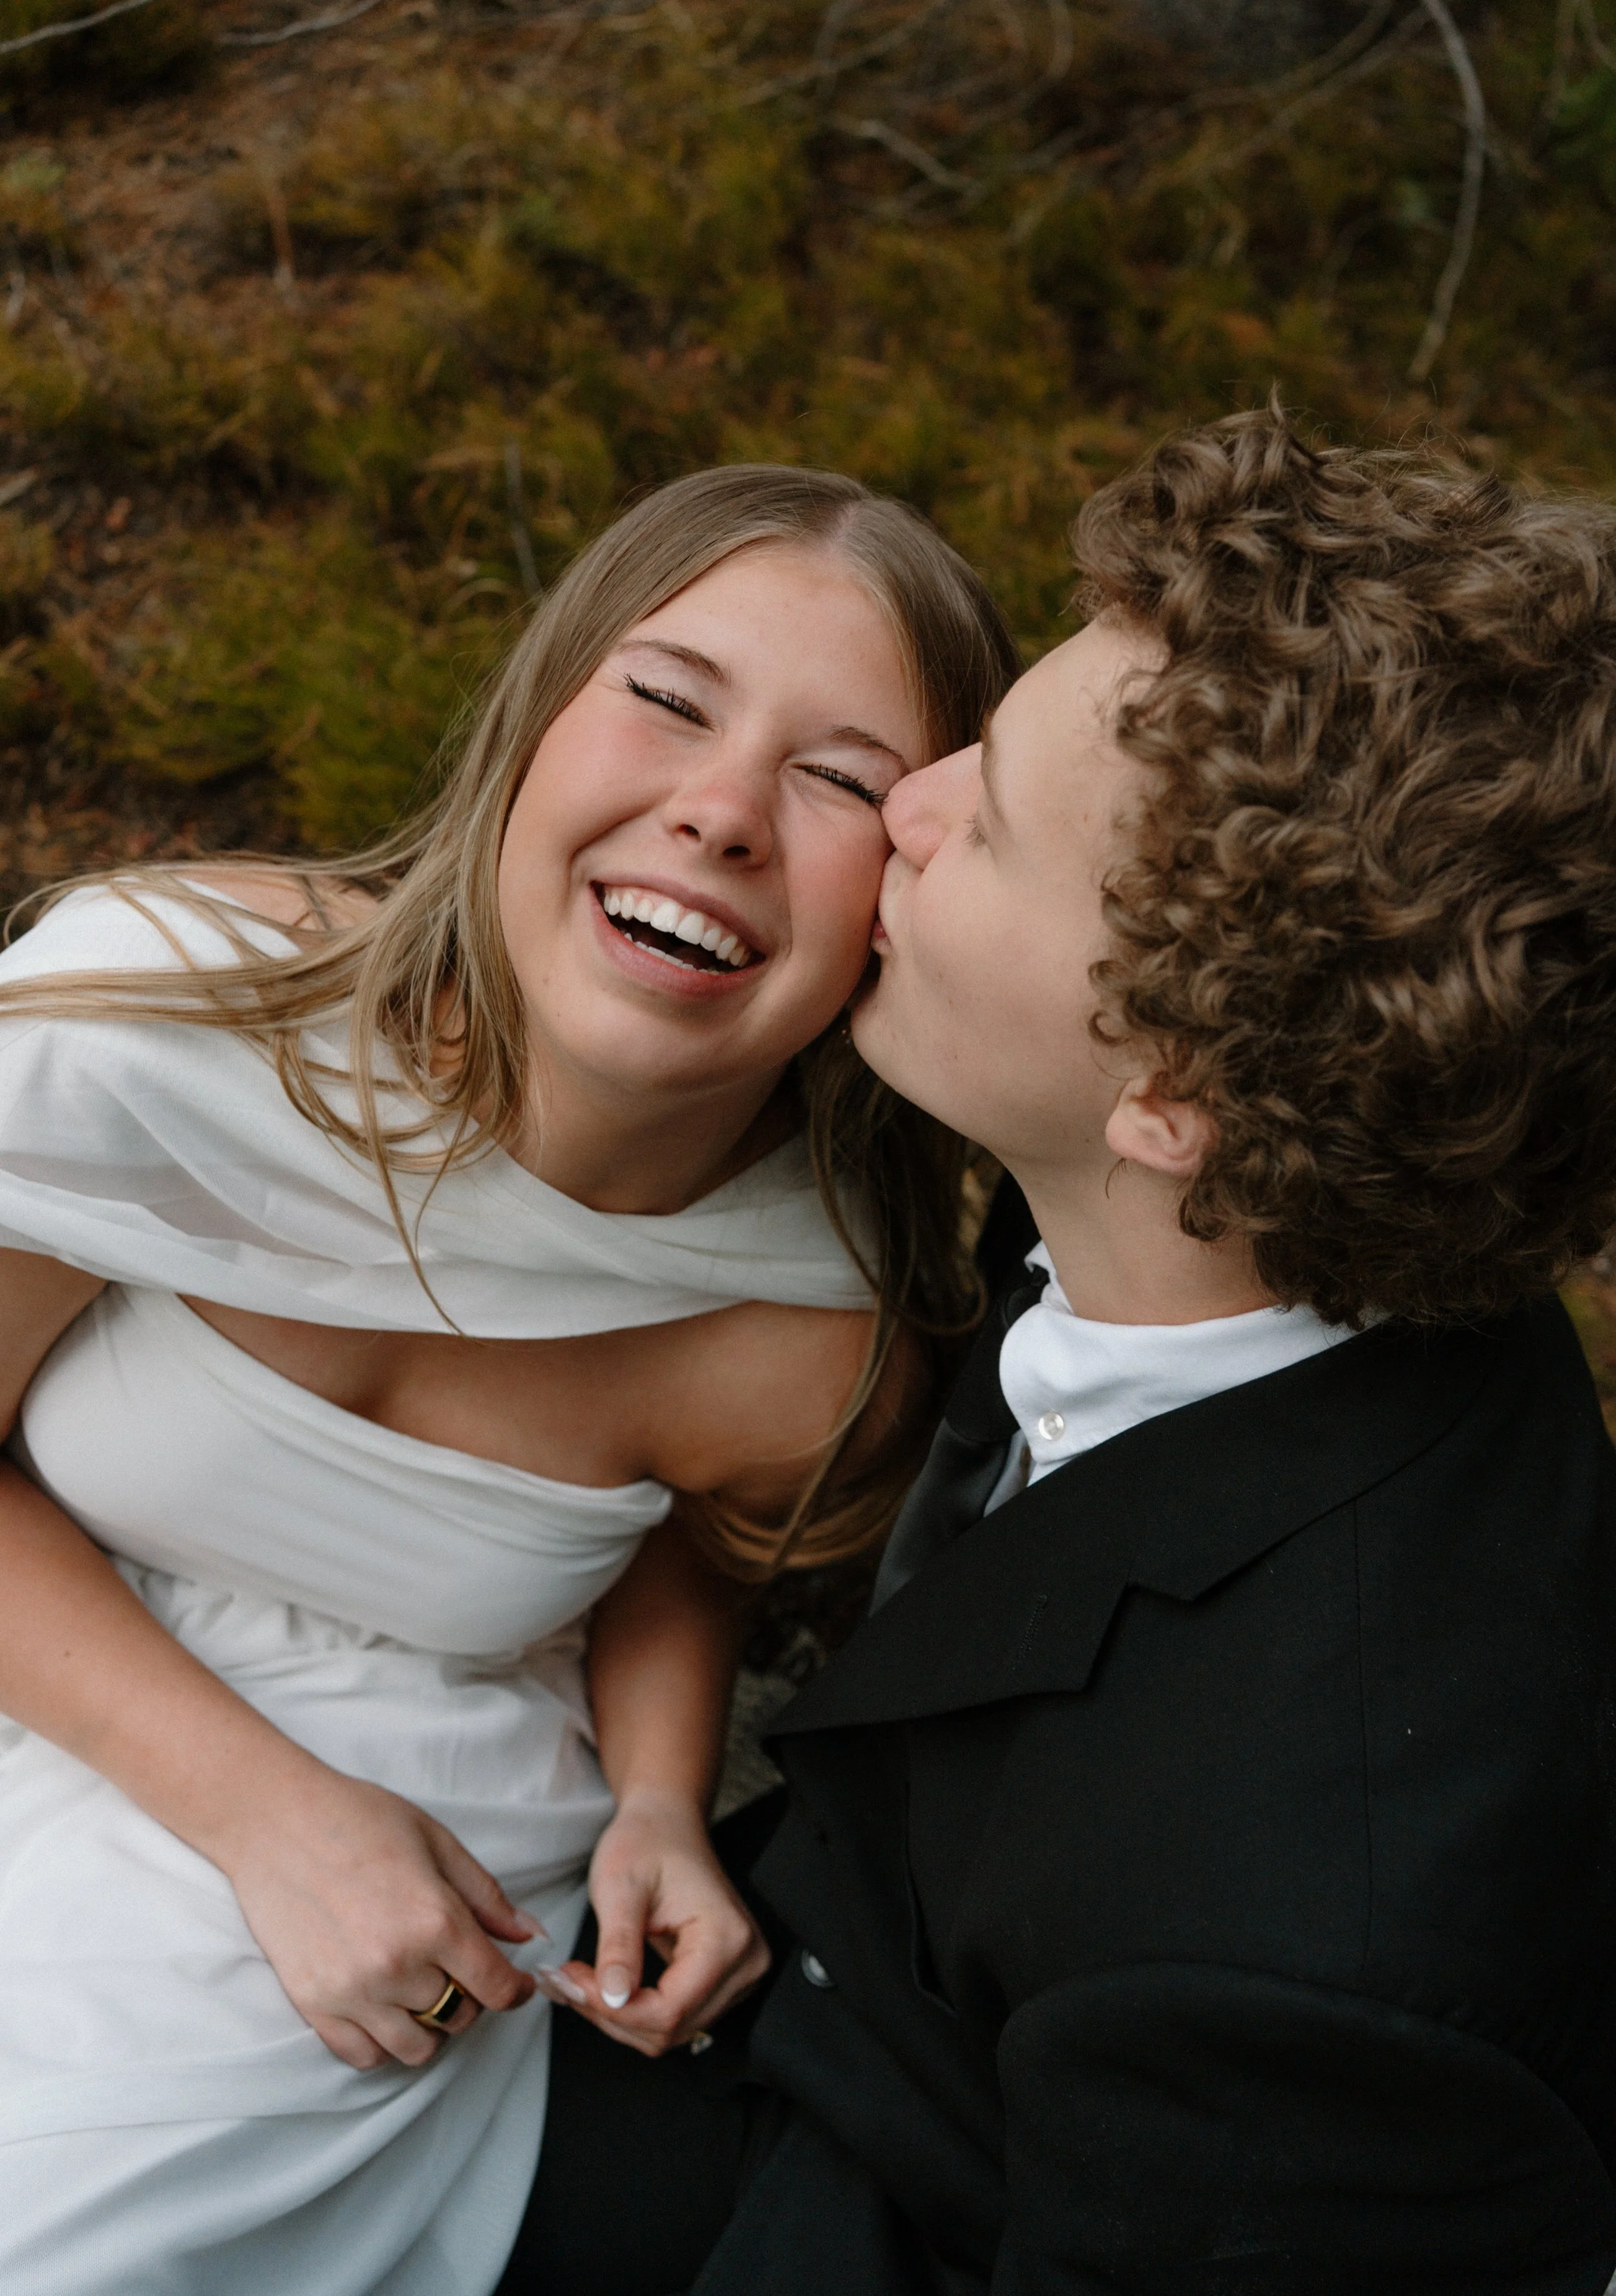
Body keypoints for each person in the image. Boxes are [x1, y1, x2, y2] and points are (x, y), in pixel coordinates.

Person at [513, 405, 1616, 2296]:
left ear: (1169, 1094)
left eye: (984, 823)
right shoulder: (1269, 1193)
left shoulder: (1308, 1958)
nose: (905, 803)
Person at [0, 463, 1017, 2295]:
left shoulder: (816, 1333)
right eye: (668, 698)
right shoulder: (143, 1034)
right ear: (535, 717)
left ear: (913, 884)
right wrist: (267, 1812)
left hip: (435, 1816)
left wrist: (656, 1800)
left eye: (841, 779)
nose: (716, 812)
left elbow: (679, 1550)